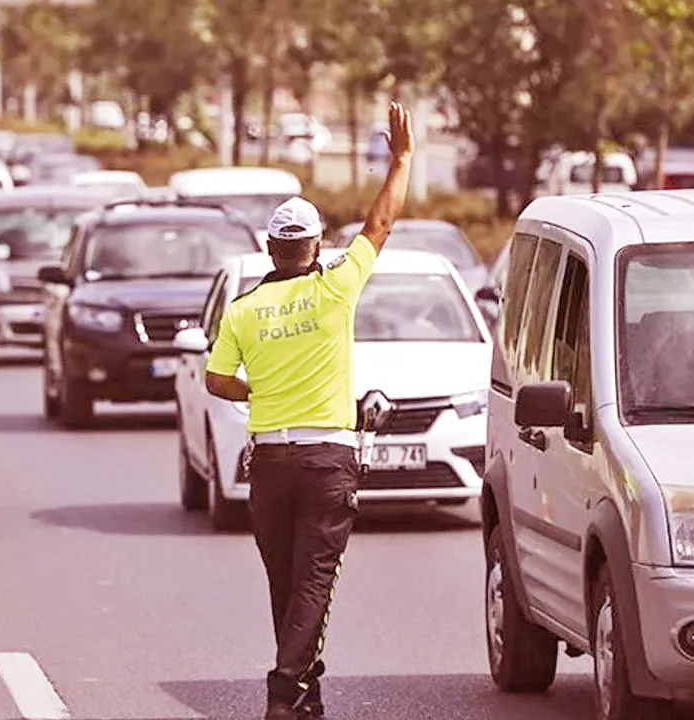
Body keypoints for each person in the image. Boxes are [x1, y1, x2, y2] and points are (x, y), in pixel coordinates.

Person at [204, 101, 415, 720]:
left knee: (286, 584)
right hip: (328, 460)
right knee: (312, 584)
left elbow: (217, 381)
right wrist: (401, 158)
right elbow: (380, 222)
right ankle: (282, 692)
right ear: (318, 245)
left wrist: (259, 392)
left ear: (271, 248)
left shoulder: (243, 309)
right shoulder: (335, 287)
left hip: (268, 462)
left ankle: (305, 699)